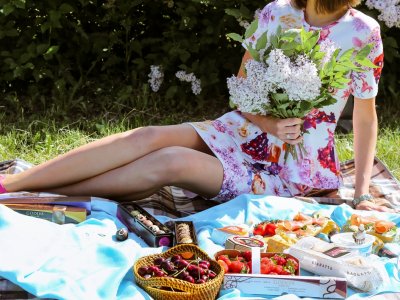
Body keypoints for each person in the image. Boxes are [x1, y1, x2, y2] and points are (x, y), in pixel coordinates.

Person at [0, 0, 391, 212]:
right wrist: (267, 121)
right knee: (149, 135)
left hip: (294, 168)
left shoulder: (363, 32)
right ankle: (13, 186)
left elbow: (364, 113)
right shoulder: (276, 13)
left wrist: (359, 192)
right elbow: (242, 88)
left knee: (170, 160)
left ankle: (45, 194)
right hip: (243, 127)